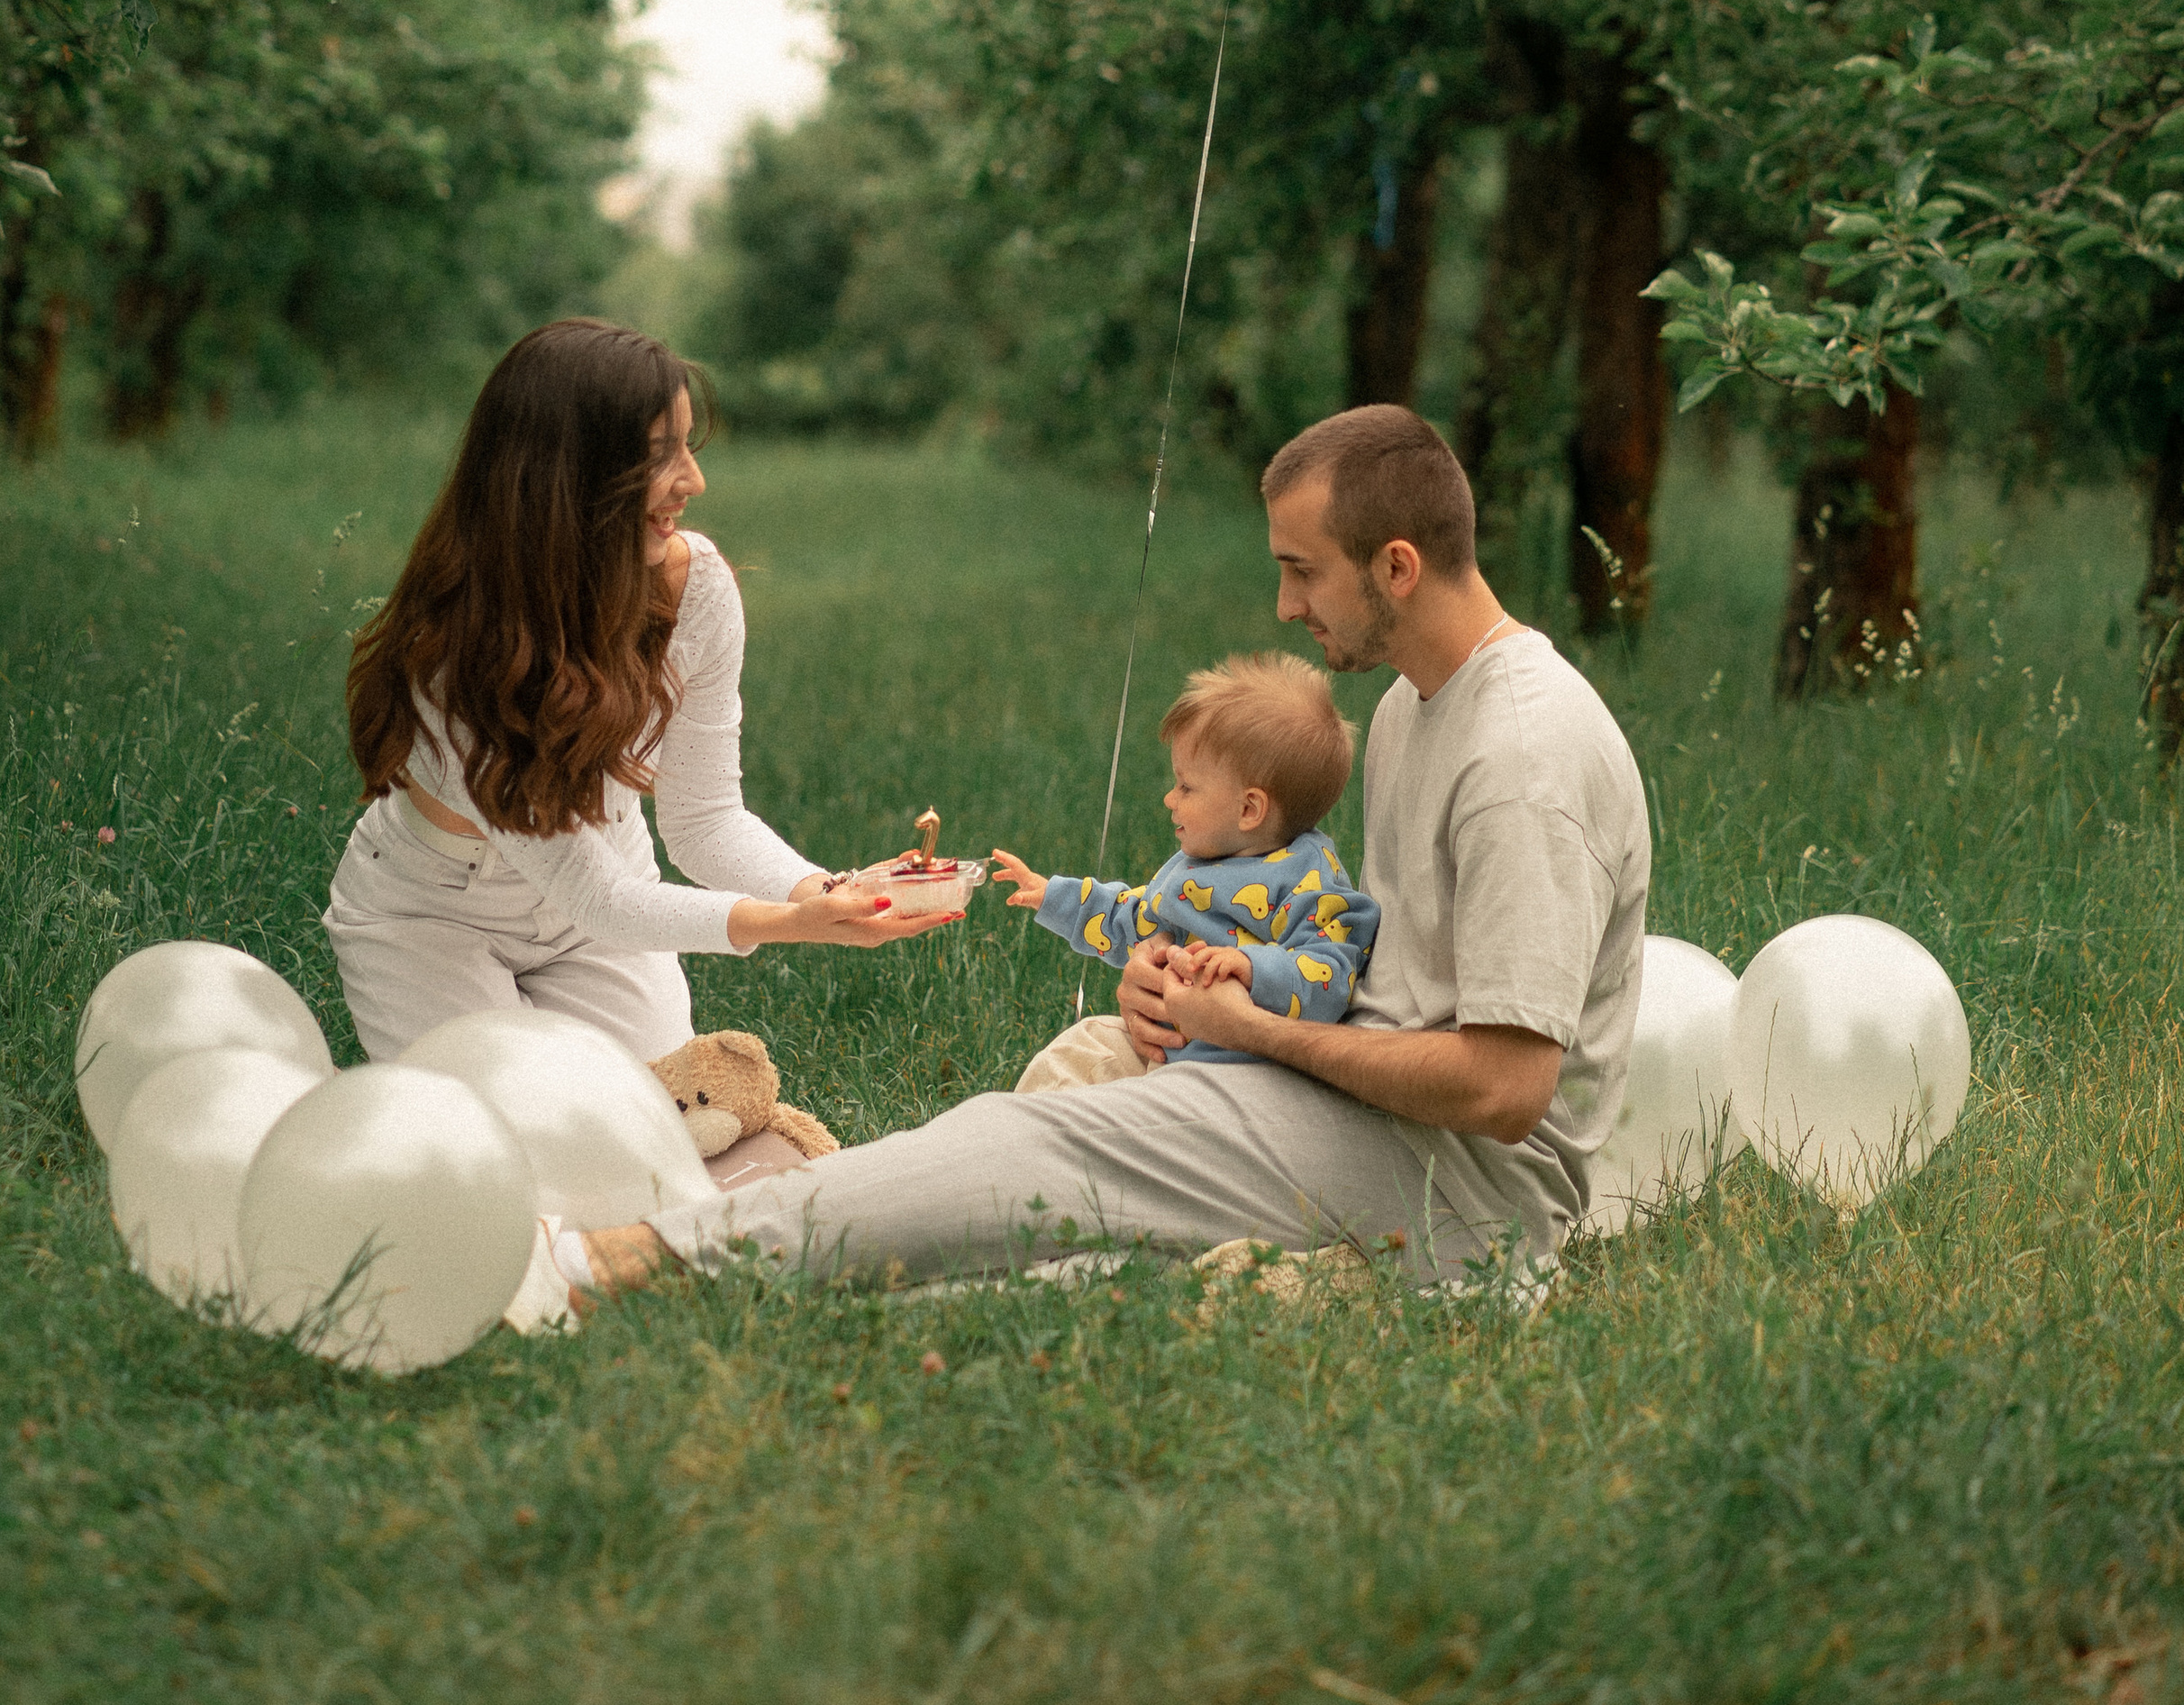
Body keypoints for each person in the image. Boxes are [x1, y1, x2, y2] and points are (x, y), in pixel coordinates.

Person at [580, 404, 1650, 1299]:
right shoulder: (1422, 706)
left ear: (1399, 566)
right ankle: (794, 1265)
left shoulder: (1522, 757)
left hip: (1467, 1191)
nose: (1284, 605)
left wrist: (1255, 1035)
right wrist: (1189, 978)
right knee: (1067, 1192)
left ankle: (655, 1257)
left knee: (1056, 1146)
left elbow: (1507, 1088)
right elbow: (1374, 962)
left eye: (1302, 572)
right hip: (1377, 1123)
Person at [323, 320, 924, 1099]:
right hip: (434, 919)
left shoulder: (696, 588)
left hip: (603, 898)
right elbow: (598, 899)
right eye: (657, 454)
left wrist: (816, 893)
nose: (692, 480)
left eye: (688, 446)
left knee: (657, 1121)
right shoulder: (457, 651)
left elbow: (704, 819)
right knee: (507, 1143)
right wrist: (777, 925)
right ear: (562, 477)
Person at [991, 651, 1379, 1076]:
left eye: (1186, 787)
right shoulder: (1194, 867)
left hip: (1250, 1072)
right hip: (1164, 1051)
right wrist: (1051, 896)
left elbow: (1330, 971)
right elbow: (1131, 919)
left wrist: (1252, 968)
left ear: (1250, 809)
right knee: (1074, 1053)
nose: (1169, 799)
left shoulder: (1309, 877)